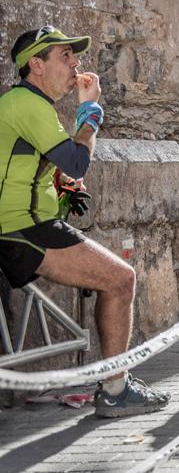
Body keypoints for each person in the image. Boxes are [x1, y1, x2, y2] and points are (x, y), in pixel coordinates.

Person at [0, 27, 169, 418]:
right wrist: (91, 112)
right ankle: (115, 390)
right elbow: (77, 161)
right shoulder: (27, 104)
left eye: (74, 56)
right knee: (120, 279)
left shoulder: (27, 103)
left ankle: (115, 384)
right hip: (21, 228)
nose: (76, 63)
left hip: (25, 223)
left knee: (114, 278)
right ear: (36, 65)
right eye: (65, 56)